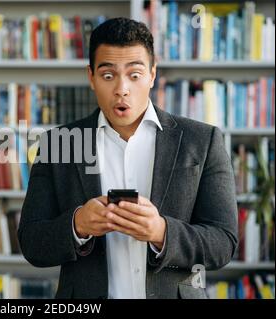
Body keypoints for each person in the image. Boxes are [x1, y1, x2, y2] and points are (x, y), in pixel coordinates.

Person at [18, 17, 238, 299]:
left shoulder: (203, 140)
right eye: (108, 75)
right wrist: (78, 225)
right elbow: (31, 242)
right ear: (91, 77)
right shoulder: (57, 144)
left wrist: (161, 232)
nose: (122, 88)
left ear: (152, 75)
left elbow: (224, 243)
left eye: (134, 75)